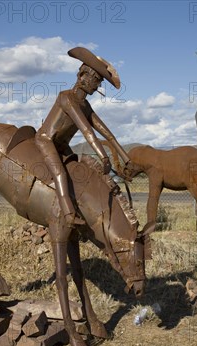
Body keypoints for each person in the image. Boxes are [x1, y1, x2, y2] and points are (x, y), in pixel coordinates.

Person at [35, 47, 132, 227]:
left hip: (62, 145)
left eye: (99, 82)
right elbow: (86, 130)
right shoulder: (67, 98)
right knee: (59, 172)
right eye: (95, 80)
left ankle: (79, 207)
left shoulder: (85, 105)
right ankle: (68, 214)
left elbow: (105, 132)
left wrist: (125, 156)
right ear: (82, 76)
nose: (97, 86)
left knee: (77, 172)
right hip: (46, 140)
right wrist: (103, 155)